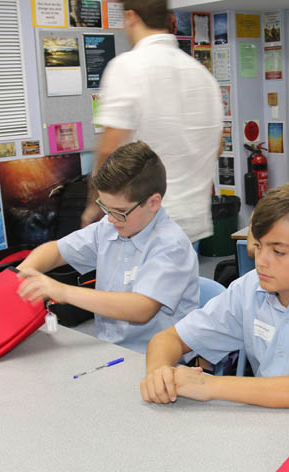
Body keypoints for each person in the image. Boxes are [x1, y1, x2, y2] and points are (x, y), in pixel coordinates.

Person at [140, 181, 289, 429]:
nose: (261, 261)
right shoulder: (250, 288)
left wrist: (209, 385)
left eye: (278, 252)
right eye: (258, 246)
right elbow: (167, 339)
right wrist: (160, 376)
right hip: (271, 426)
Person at [17, 141, 199, 354]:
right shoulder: (110, 226)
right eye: (105, 208)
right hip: (110, 349)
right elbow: (56, 251)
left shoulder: (170, 245)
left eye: (120, 211)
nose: (111, 218)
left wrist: (62, 291)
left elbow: (141, 308)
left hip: (159, 358)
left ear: (153, 203)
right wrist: (20, 276)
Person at [83, 0, 223, 244]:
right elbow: (217, 147)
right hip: (192, 223)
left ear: (131, 16)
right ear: (169, 19)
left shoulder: (127, 67)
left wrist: (95, 203)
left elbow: (109, 149)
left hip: (143, 224)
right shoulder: (203, 75)